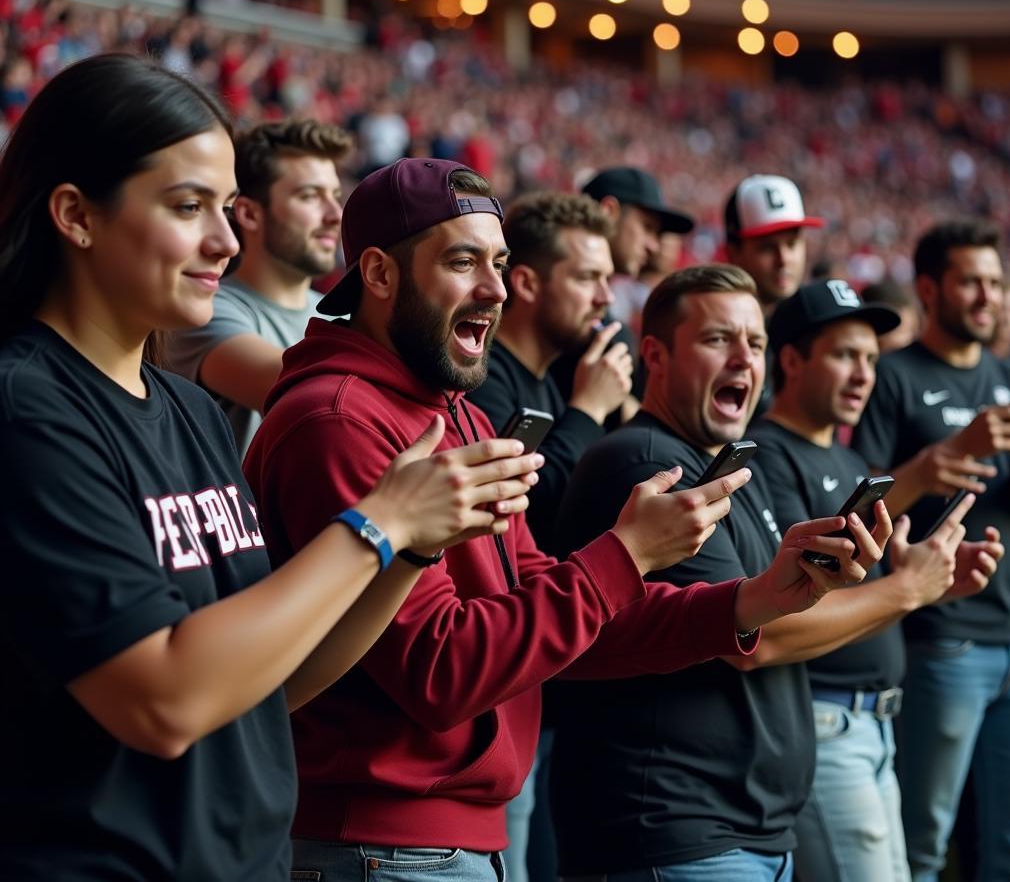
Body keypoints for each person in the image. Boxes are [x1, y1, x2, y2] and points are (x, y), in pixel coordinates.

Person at [242, 158, 865, 882]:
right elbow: (439, 669)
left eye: (501, 263)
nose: (496, 289)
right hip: (379, 846)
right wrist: (624, 555)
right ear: (378, 274)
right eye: (463, 261)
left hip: (448, 843)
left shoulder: (457, 409)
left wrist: (749, 601)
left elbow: (548, 602)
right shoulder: (339, 420)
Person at [0, 56, 544, 881]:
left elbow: (278, 678)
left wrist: (418, 543)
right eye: (189, 207)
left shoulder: (184, 409)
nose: (226, 239)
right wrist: (378, 526)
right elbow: (165, 698)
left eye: (226, 208)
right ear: (76, 215)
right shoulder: (27, 410)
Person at [546, 264, 888, 882]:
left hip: (733, 835)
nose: (743, 359)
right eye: (716, 340)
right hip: (674, 836)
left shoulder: (724, 462)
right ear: (655, 354)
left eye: (754, 344)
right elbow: (752, 645)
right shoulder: (649, 464)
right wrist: (908, 592)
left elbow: (764, 613)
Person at [748, 279, 1002, 882]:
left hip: (876, 728)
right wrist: (909, 587)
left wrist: (934, 580)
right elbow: (784, 617)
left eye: (870, 358)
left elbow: (865, 601)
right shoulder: (768, 458)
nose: (864, 375)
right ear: (790, 361)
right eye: (843, 355)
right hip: (825, 726)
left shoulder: (850, 460)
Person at [468, 191, 632, 882]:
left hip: (548, 668)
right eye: (589, 277)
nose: (607, 296)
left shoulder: (554, 378)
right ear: (527, 283)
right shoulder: (480, 378)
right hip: (493, 673)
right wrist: (589, 412)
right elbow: (529, 511)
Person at [852, 220, 1010, 882]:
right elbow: (858, 505)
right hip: (941, 642)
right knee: (922, 846)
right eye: (970, 283)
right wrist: (952, 455)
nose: (986, 296)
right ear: (929, 288)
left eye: (994, 282)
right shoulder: (890, 379)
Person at [166, 118, 350, 453]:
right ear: (249, 214)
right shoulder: (206, 309)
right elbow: (316, 394)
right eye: (310, 196)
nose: (335, 214)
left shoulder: (344, 317)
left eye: (335, 196)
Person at [549, 167, 695, 419]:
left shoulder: (613, 329)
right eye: (647, 227)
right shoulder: (557, 317)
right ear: (609, 212)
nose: (654, 246)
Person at [724, 174, 824, 417]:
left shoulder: (816, 326)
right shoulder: (715, 332)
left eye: (792, 244)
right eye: (767, 247)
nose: (784, 260)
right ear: (733, 252)